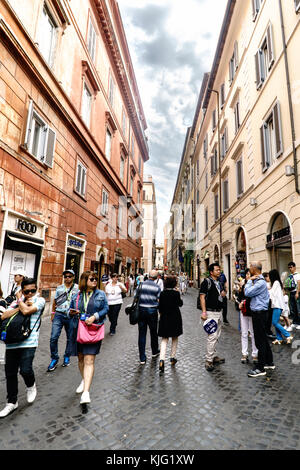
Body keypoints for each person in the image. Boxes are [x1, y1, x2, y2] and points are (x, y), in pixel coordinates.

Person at [0, 278, 45, 418]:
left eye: (33, 290)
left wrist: (20, 304)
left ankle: (31, 386)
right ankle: (12, 402)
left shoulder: (40, 300)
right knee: (10, 373)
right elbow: (3, 316)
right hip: (12, 341)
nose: (31, 293)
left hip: (29, 342)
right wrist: (21, 304)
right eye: (27, 291)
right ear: (22, 291)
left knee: (25, 369)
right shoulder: (16, 301)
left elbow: (27, 312)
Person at [69, 271, 108, 408]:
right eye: (92, 279)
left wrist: (95, 316)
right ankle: (84, 379)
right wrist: (71, 312)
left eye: (96, 279)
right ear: (84, 280)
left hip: (93, 331)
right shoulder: (76, 296)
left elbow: (105, 308)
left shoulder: (101, 294)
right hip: (78, 330)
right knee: (80, 359)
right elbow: (70, 310)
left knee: (89, 360)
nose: (94, 281)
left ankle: (86, 392)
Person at [244, 262, 274, 378]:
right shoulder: (257, 281)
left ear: (255, 269)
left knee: (259, 340)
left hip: (260, 314)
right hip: (259, 313)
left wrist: (248, 281)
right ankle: (269, 362)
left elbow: (247, 292)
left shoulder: (260, 282)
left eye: (250, 266)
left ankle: (260, 368)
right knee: (263, 339)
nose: (249, 268)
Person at [47, 269, 78, 371]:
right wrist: (52, 313)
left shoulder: (77, 288)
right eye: (65, 276)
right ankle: (54, 358)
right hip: (59, 314)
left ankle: (67, 356)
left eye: (69, 276)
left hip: (71, 316)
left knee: (70, 338)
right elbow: (55, 302)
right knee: (53, 337)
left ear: (73, 277)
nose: (67, 278)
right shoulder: (59, 288)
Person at [198, 263, 225, 372]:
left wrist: (222, 294)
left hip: (219, 312)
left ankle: (214, 356)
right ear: (211, 272)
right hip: (210, 312)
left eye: (219, 270)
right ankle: (208, 360)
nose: (219, 271)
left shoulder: (219, 282)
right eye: (217, 270)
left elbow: (220, 294)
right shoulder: (206, 282)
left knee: (217, 335)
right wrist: (204, 312)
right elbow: (202, 297)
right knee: (212, 336)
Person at [158, 276, 183, 372]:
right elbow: (180, 304)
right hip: (175, 317)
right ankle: (172, 357)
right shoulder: (176, 293)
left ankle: (161, 360)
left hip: (165, 317)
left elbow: (159, 307)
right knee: (175, 337)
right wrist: (179, 295)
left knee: (164, 339)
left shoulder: (162, 293)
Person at [137, 270, 161, 365]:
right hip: (152, 311)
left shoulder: (141, 285)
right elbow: (159, 300)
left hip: (142, 310)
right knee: (153, 332)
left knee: (142, 334)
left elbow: (136, 297)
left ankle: (142, 357)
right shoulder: (157, 287)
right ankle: (154, 351)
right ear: (156, 277)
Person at [237, 269, 258, 364]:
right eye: (246, 274)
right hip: (244, 311)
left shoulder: (255, 284)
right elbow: (240, 297)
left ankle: (255, 354)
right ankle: (244, 354)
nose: (247, 275)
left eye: (249, 274)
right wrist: (240, 302)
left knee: (253, 333)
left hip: (252, 311)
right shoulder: (243, 284)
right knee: (244, 333)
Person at [269, 269, 293, 345]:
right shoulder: (277, 283)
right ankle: (279, 338)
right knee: (276, 322)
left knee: (274, 322)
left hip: (277, 305)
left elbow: (271, 293)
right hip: (276, 305)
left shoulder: (276, 283)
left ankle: (288, 335)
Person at [286, 262, 300, 329]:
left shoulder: (297, 275)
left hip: (296, 292)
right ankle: (295, 322)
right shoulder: (290, 276)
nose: (290, 269)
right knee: (293, 308)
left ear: (294, 267)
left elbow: (299, 284)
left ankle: (299, 323)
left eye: (291, 267)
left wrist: (297, 292)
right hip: (291, 293)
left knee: (298, 308)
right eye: (289, 267)